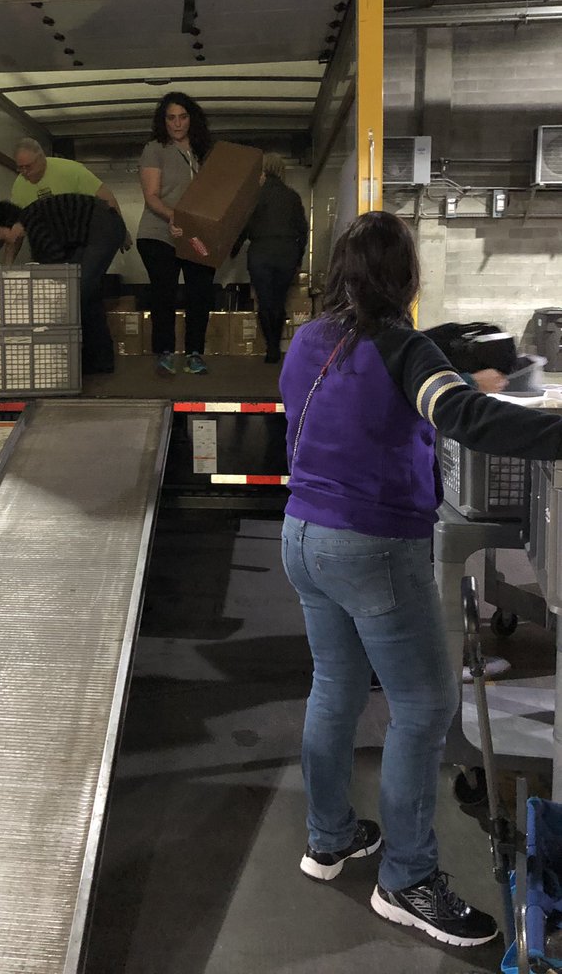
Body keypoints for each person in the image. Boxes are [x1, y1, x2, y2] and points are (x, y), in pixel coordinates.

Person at [278, 211, 562, 948]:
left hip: (301, 536)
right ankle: (406, 879)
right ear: (406, 278)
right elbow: (466, 415)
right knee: (425, 706)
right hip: (371, 547)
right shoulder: (403, 348)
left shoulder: (310, 339)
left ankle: (329, 838)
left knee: (335, 687)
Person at [0, 194, 125, 375]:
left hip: (101, 227)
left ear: (9, 223)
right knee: (86, 295)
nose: (3, 240)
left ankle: (92, 359)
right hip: (103, 225)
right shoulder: (35, 216)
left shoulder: (34, 224)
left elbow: (53, 267)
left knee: (77, 295)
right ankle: (99, 360)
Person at [136, 91, 215, 375]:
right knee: (164, 293)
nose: (177, 124)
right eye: (171, 118)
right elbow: (152, 196)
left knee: (201, 292)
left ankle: (195, 353)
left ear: (192, 119)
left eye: (182, 117)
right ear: (163, 121)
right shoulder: (155, 149)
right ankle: (165, 353)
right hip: (159, 232)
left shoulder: (203, 150)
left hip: (194, 232)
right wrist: (173, 216)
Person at [5, 138, 130, 265]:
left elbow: (106, 197)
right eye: (21, 168)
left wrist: (121, 231)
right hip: (52, 243)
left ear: (41, 158)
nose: (25, 172)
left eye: (29, 167)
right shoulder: (20, 184)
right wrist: (7, 266)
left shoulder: (71, 170)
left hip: (83, 237)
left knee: (81, 278)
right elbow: (15, 231)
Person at [237, 152, 308, 364]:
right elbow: (302, 231)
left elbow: (243, 226)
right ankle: (276, 345)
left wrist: (231, 249)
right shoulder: (293, 197)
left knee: (265, 301)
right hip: (287, 251)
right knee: (279, 301)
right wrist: (298, 258)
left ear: (263, 171)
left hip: (261, 251)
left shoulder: (254, 196)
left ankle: (271, 348)